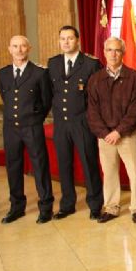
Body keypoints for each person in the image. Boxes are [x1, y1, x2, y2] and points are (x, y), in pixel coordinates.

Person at [87, 37, 136, 224]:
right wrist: (105, 133)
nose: (113, 54)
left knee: (134, 172)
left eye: (117, 50)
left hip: (128, 134)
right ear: (104, 52)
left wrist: (119, 131)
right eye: (109, 50)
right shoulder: (95, 79)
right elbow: (92, 111)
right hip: (105, 137)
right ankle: (111, 207)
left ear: (123, 53)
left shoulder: (135, 77)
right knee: (109, 172)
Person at [47, 26, 103, 220]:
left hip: (83, 122)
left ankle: (95, 204)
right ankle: (67, 204)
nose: (66, 42)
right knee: (64, 164)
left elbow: (98, 97)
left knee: (89, 163)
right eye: (62, 39)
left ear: (78, 40)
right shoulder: (53, 63)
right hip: (61, 123)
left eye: (70, 38)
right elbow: (50, 93)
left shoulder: (90, 63)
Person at [0, 35, 54, 224]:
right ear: (9, 49)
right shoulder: (3, 73)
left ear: (29, 48)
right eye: (15, 46)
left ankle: (45, 207)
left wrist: (35, 118)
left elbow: (46, 101)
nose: (19, 50)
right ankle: (17, 207)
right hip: (10, 128)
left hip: (32, 126)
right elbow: (7, 99)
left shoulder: (39, 73)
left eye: (23, 46)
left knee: (40, 166)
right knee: (13, 166)